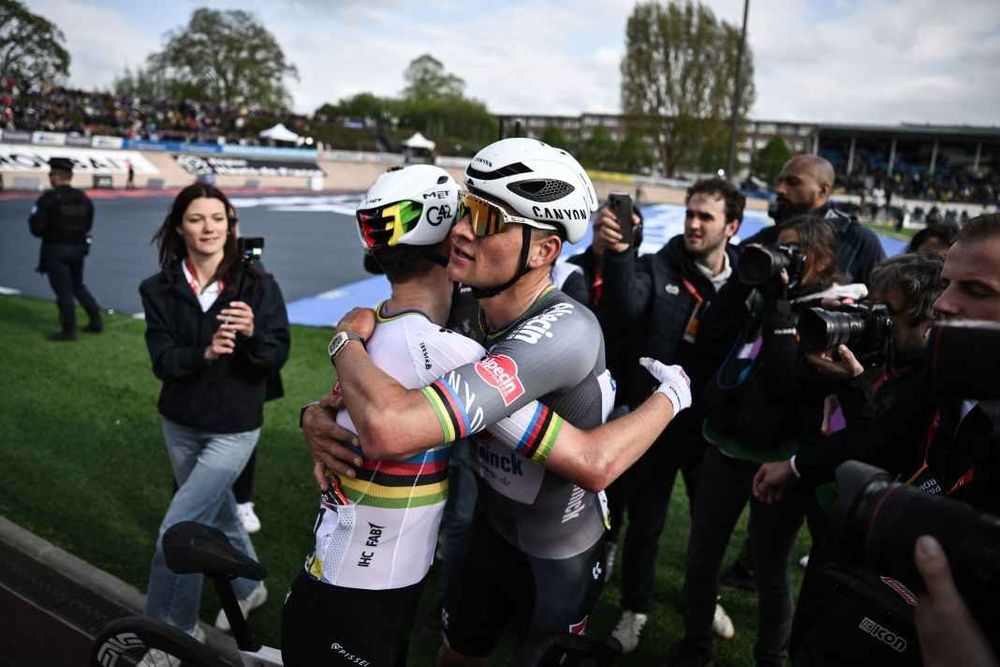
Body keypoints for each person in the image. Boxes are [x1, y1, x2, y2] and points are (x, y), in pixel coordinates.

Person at [323, 138, 691, 664]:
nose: (462, 231)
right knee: (455, 654)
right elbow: (376, 385)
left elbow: (594, 463)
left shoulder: (569, 331)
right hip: (489, 536)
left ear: (543, 251)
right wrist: (318, 414)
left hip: (557, 555)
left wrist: (673, 396)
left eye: (488, 220)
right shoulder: (465, 308)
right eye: (466, 209)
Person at [669, 216, 867, 667]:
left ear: (817, 258)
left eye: (792, 250)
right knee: (701, 559)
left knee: (771, 570)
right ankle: (694, 649)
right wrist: (745, 283)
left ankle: (772, 659)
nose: (781, 257)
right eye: (779, 248)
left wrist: (778, 311)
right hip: (727, 445)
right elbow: (713, 332)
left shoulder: (836, 308)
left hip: (782, 460)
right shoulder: (759, 295)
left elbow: (785, 380)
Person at [596, 178, 744, 652]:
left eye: (707, 217)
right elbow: (626, 303)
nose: (694, 224)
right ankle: (634, 609)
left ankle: (705, 597)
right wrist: (620, 253)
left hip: (714, 430)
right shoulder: (657, 263)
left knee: (710, 525)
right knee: (646, 524)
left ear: (733, 226)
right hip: (656, 424)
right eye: (690, 214)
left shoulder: (747, 277)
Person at [138, 183, 290, 646]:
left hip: (233, 426)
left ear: (231, 225)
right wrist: (203, 353)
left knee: (178, 532)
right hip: (180, 422)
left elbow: (277, 352)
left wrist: (250, 334)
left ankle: (172, 638)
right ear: (179, 228)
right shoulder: (157, 288)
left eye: (218, 218)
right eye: (197, 219)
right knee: (219, 513)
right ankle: (249, 587)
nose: (209, 228)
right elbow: (162, 359)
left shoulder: (258, 284)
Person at [743, 155, 885, 284]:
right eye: (779, 181)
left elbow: (884, 297)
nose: (780, 189)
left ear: (823, 191)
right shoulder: (769, 235)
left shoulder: (857, 241)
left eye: (793, 182)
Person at [27, 157, 103, 341]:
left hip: (56, 249)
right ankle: (96, 321)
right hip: (78, 249)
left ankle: (69, 330)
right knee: (78, 286)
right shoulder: (83, 198)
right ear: (71, 176)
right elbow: (88, 224)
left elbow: (36, 228)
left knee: (63, 290)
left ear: (53, 176)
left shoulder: (49, 198)